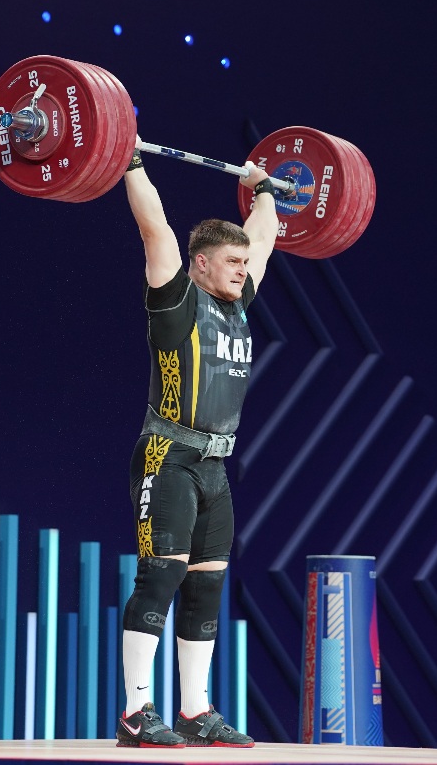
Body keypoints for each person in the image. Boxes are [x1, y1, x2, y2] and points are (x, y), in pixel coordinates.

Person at [115, 137, 278, 748]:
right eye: (231, 263)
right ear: (202, 263)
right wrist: (129, 160)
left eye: (244, 263)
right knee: (161, 577)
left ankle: (194, 711)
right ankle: (136, 713)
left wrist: (264, 189)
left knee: (207, 583)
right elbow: (154, 226)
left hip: (215, 466)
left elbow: (262, 237)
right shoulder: (177, 299)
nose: (244, 269)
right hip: (168, 455)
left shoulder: (239, 302)